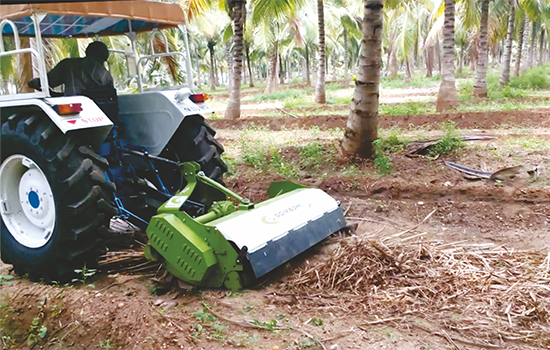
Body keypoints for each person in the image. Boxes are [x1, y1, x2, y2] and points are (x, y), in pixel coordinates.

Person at [28, 41, 114, 96]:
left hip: (72, 106)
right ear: (103, 57)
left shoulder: (68, 65)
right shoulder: (105, 75)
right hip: (100, 111)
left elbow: (49, 82)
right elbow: (108, 96)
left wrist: (34, 83)